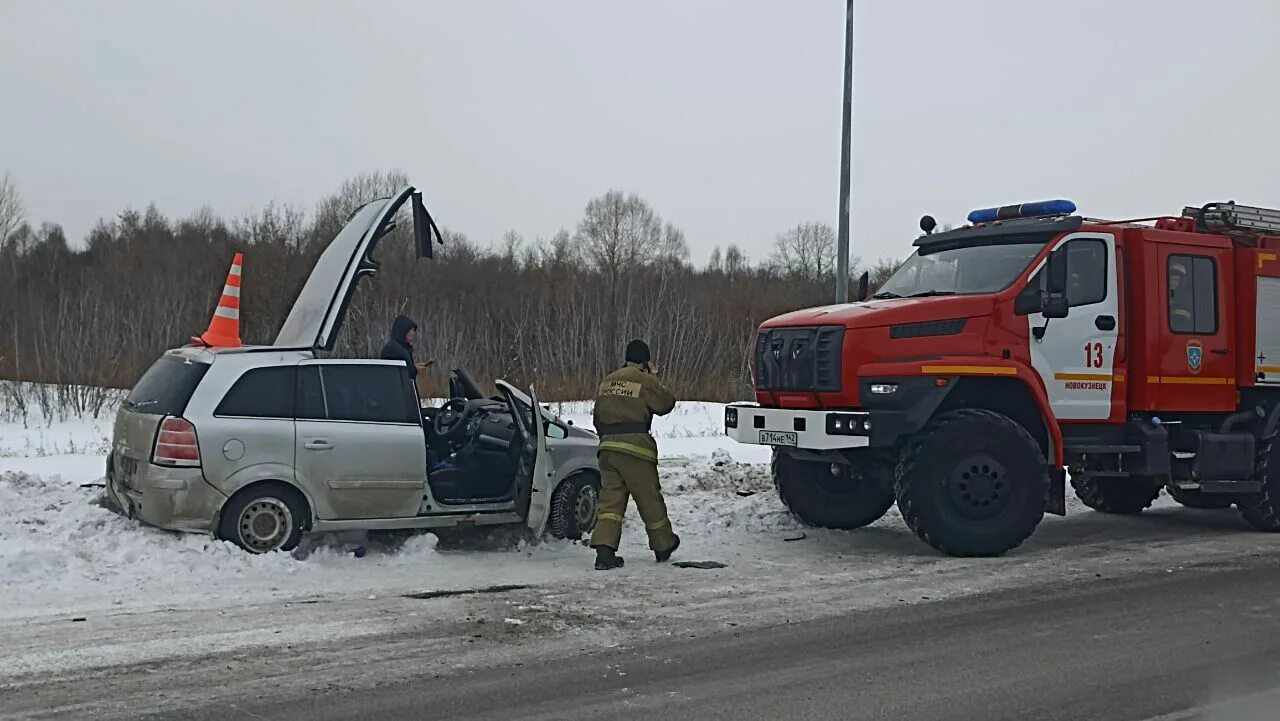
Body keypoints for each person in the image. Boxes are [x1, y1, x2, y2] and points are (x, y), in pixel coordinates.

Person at [589, 339, 679, 570]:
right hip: (635, 450)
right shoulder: (644, 380)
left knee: (610, 502)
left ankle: (604, 552)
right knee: (649, 498)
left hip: (607, 448)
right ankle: (663, 544)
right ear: (646, 361)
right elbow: (665, 404)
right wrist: (654, 377)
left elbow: (597, 416)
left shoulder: (607, 381)